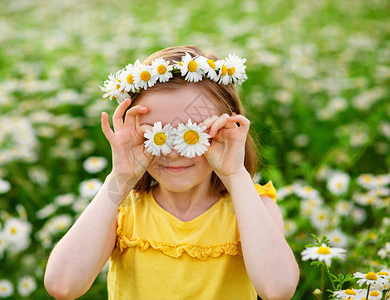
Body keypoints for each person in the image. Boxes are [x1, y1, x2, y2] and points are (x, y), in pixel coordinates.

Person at [44, 45, 300, 300]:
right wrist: (120, 180)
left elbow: (277, 290)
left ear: (227, 128)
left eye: (193, 134)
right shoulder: (121, 210)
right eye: (157, 135)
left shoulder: (253, 207)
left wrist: (235, 176)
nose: (174, 151)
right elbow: (63, 285)